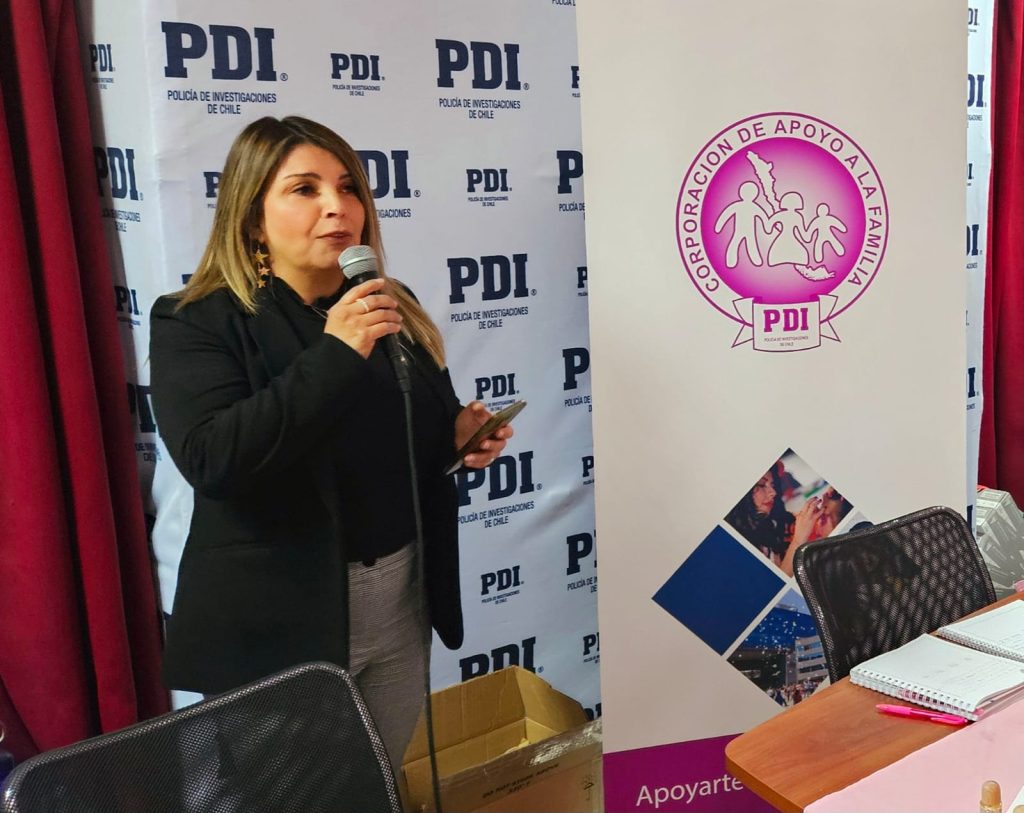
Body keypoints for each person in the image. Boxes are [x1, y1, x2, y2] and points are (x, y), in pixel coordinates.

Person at [149, 115, 512, 772]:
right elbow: (215, 458)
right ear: (252, 219)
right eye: (304, 189)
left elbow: (402, 439)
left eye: (347, 188)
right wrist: (337, 351)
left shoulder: (386, 302)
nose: (336, 207)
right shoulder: (197, 319)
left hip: (399, 603)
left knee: (377, 783)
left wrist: (458, 439)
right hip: (281, 627)